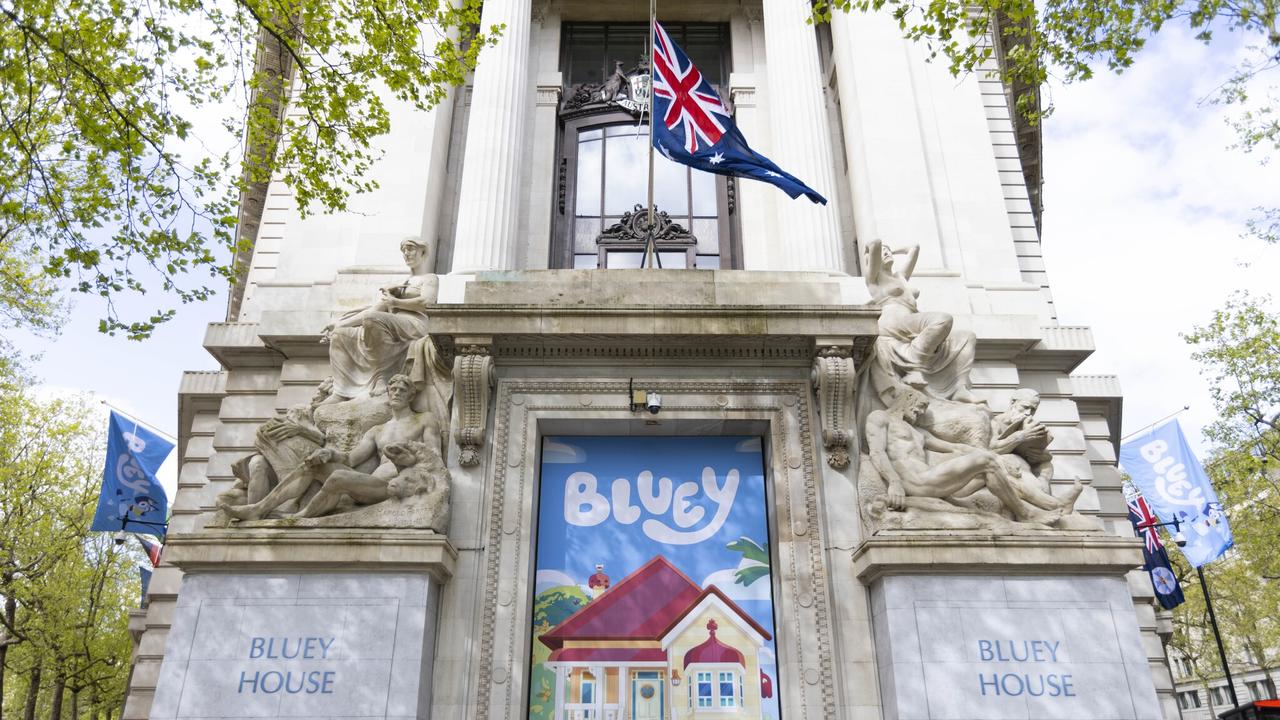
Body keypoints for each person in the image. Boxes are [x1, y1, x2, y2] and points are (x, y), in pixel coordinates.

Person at [865, 389, 1064, 526]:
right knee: (986, 462)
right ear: (907, 399)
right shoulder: (880, 417)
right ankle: (1025, 514)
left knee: (994, 468)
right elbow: (877, 451)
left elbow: (956, 448)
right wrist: (894, 483)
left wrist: (996, 456)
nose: (920, 412)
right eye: (919, 406)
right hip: (916, 483)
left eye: (924, 408)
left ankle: (1053, 505)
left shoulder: (917, 432)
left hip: (935, 483)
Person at [294, 374, 445, 518]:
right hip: (370, 484)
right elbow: (351, 460)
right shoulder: (377, 430)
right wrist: (329, 453)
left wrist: (410, 461)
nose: (397, 393)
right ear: (388, 393)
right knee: (310, 466)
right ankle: (275, 508)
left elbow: (434, 456)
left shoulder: (425, 419)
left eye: (402, 390)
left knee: (338, 476)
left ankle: (303, 516)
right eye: (393, 389)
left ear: (411, 396)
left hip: (394, 485)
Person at [322, 237, 439, 403]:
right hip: (390, 323)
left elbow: (427, 302)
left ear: (423, 252)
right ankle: (341, 390)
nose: (407, 253)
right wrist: (339, 324)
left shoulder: (429, 278)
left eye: (411, 248)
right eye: (404, 250)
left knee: (373, 319)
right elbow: (373, 310)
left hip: (415, 324)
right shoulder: (399, 283)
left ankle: (383, 378)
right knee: (340, 335)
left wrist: (396, 302)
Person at [863, 239, 979, 405]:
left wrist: (892, 250)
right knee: (943, 320)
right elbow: (874, 242)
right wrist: (874, 250)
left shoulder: (900, 277)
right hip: (893, 323)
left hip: (911, 321)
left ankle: (960, 388)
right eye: (883, 252)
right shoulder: (874, 280)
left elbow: (913, 248)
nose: (886, 252)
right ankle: (915, 366)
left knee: (967, 337)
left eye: (887, 250)